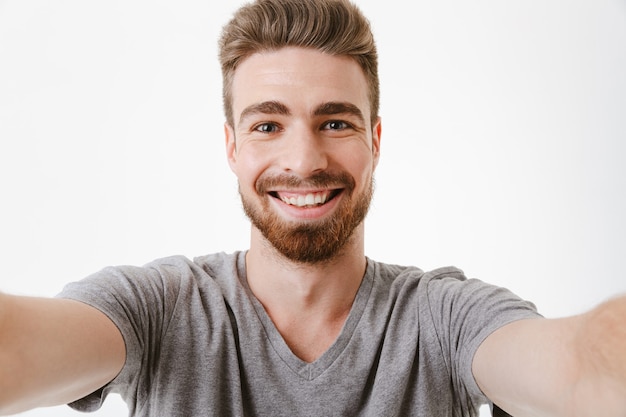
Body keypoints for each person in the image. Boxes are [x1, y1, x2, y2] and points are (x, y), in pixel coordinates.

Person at [1, 0, 625, 416]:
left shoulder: (443, 319)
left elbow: (578, 367)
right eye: (268, 126)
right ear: (232, 146)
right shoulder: (161, 310)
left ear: (375, 142)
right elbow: (18, 350)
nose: (304, 160)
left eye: (334, 121)